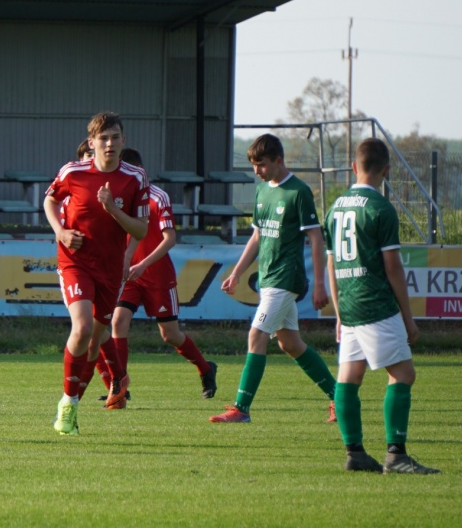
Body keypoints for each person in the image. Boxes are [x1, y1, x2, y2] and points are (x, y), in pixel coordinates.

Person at [324, 138, 440, 474]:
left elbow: (331, 265)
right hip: (375, 303)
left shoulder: (336, 207)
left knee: (349, 376)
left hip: (349, 305)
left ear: (353, 167)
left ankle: (355, 453)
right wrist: (408, 318)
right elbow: (392, 267)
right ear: (386, 171)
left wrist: (338, 313)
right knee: (403, 373)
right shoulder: (380, 209)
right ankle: (396, 456)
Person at [210, 133, 336, 423]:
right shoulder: (263, 191)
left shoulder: (299, 192)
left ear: (279, 160)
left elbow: (316, 237)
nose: (257, 171)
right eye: (254, 165)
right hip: (268, 278)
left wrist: (319, 283)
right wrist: (237, 273)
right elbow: (257, 235)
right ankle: (338, 398)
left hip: (285, 278)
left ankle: (241, 408)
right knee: (290, 344)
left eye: (262, 165)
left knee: (256, 335)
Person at [44, 111, 149, 434]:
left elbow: (142, 230)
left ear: (123, 141)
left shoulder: (135, 179)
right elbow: (49, 200)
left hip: (109, 270)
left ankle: (73, 404)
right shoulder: (73, 172)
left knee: (93, 343)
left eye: (115, 137)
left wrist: (113, 209)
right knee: (83, 326)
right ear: (92, 143)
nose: (109, 144)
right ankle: (67, 403)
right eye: (103, 138)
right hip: (75, 262)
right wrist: (61, 232)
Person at [110, 147, 218, 400]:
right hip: (129, 274)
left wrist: (143, 264)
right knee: (118, 322)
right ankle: (120, 386)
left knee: (170, 334)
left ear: (138, 171)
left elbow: (170, 239)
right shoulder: (117, 198)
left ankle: (205, 368)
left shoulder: (158, 197)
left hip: (156, 274)